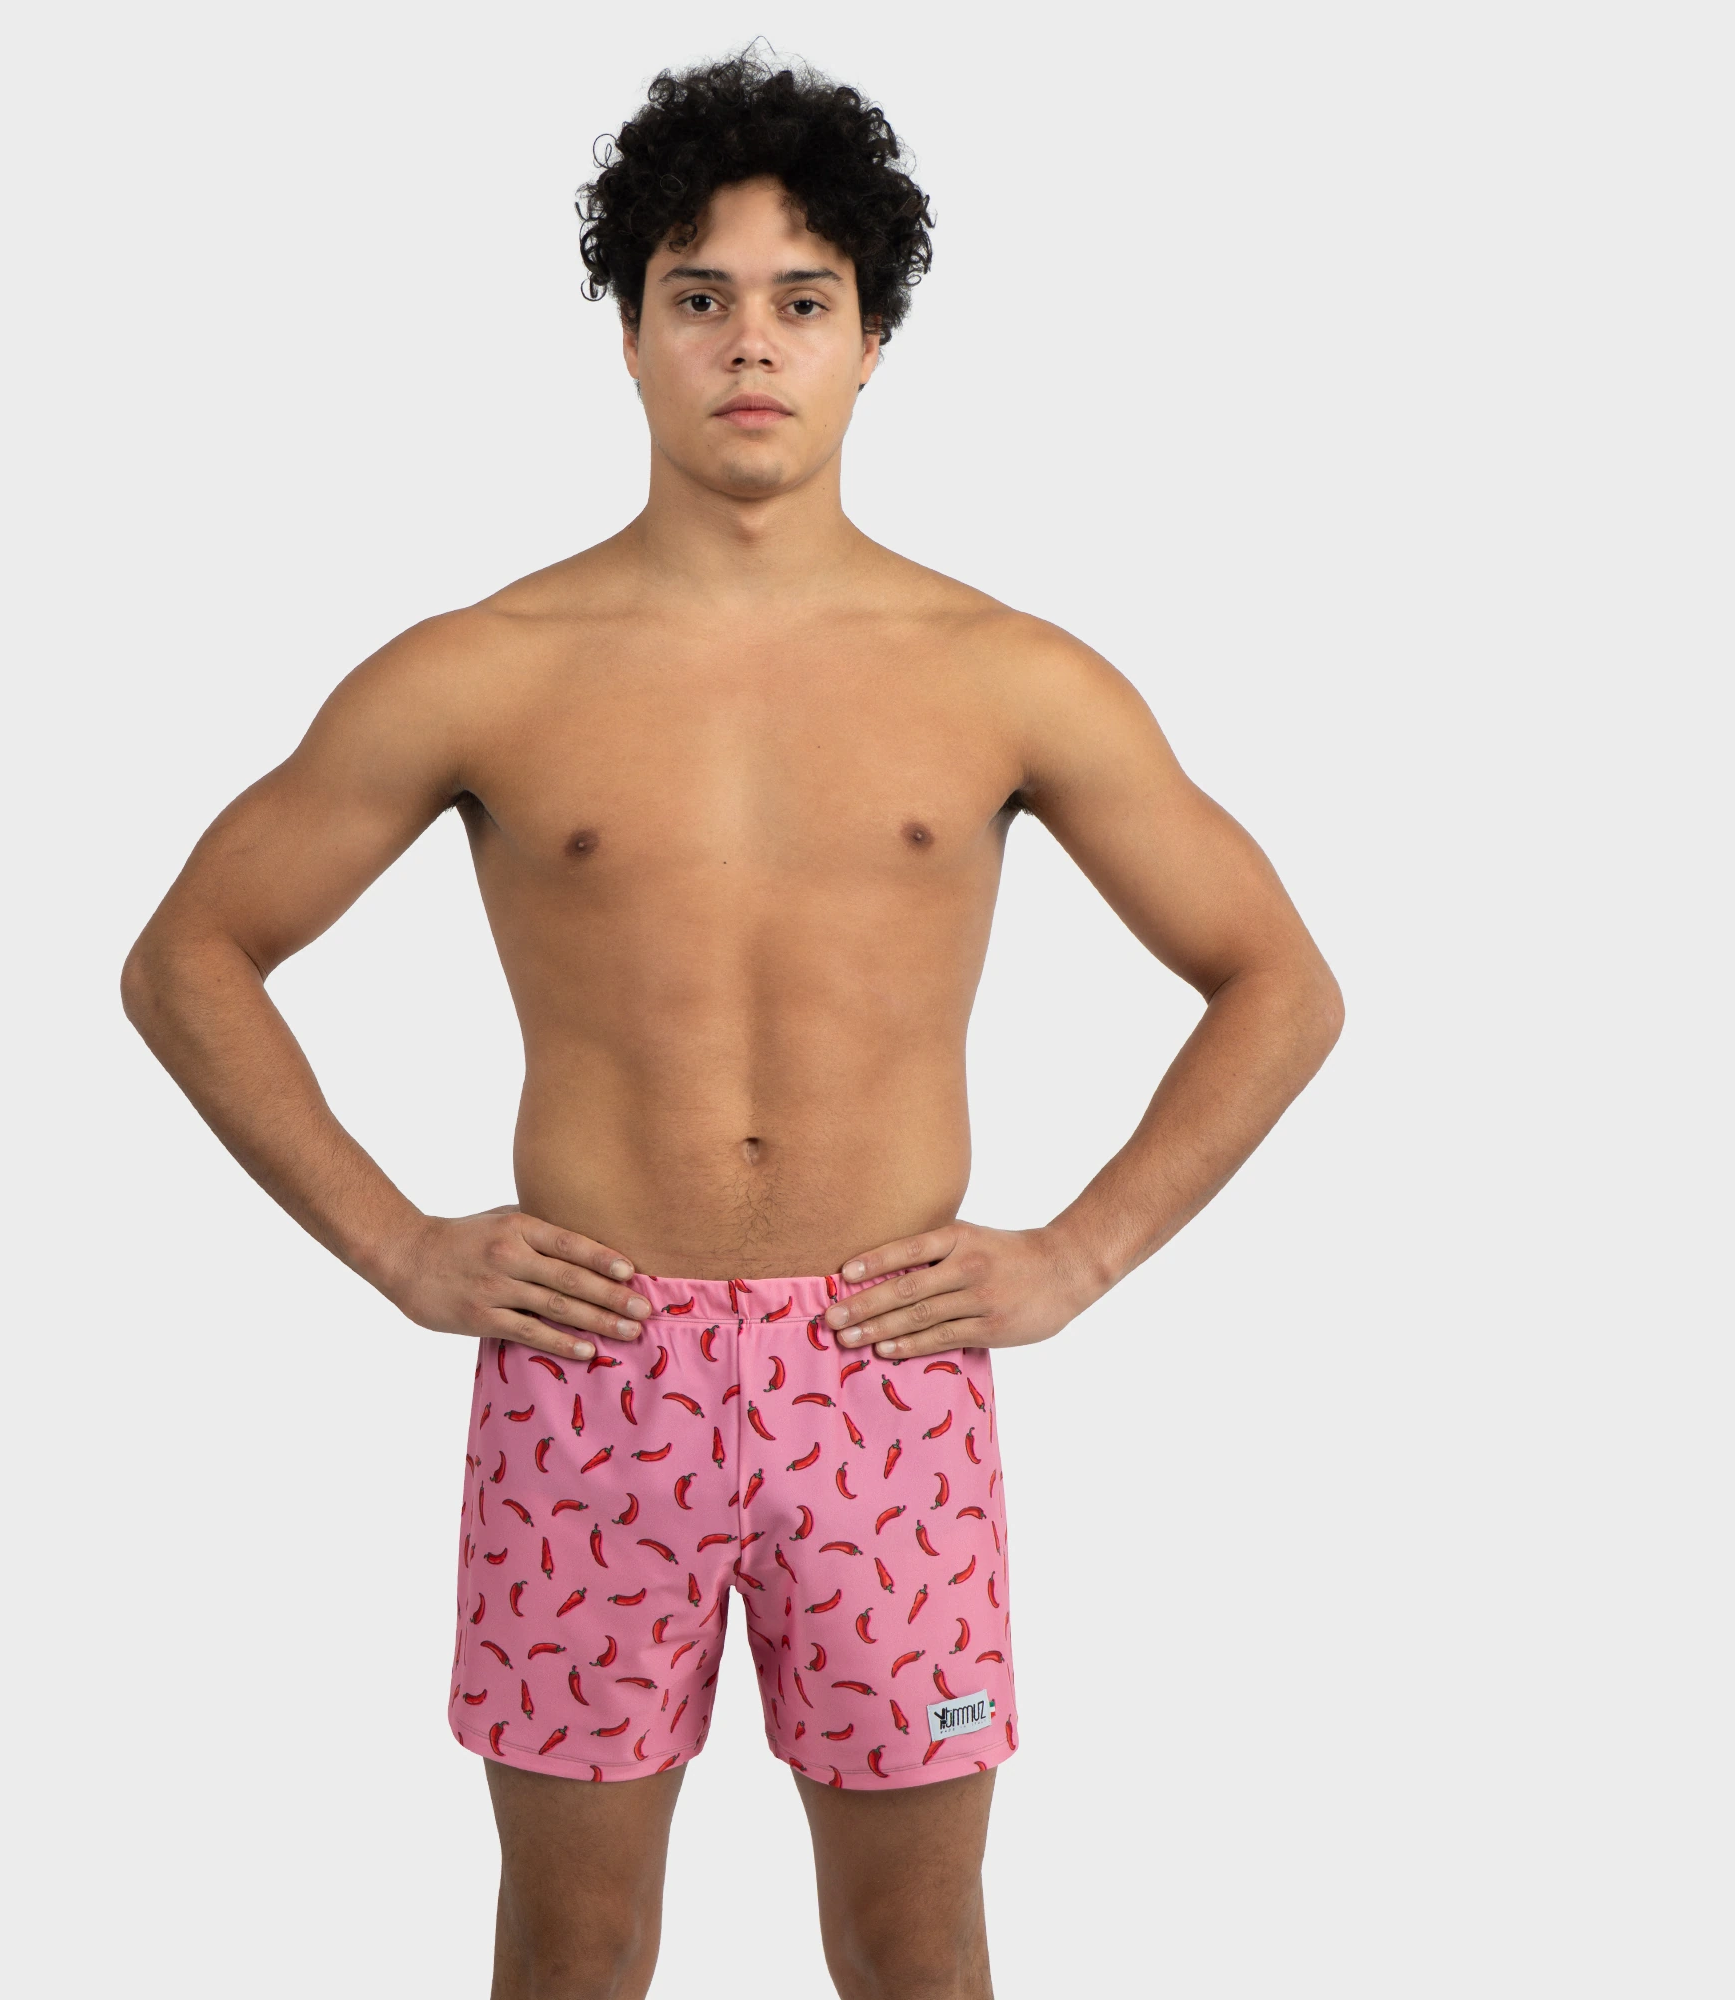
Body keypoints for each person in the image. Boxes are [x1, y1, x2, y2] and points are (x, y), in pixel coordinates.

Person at [121, 47, 1343, 2000]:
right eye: (698, 296)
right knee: (577, 1939)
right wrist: (400, 1246)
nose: (750, 344)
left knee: (914, 1939)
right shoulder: (485, 668)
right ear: (629, 336)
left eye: (802, 300)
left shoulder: (1008, 673)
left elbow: (1277, 980)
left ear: (872, 342)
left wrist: (1083, 1252)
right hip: (590, 1362)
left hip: (888, 1363)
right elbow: (191, 955)